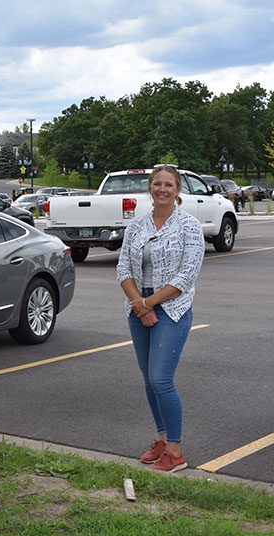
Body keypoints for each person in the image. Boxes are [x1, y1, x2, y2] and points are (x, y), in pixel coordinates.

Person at [117, 165, 204, 473]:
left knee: (161, 378)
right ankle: (163, 440)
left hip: (173, 308)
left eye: (169, 184)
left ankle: (176, 452)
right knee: (148, 380)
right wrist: (139, 304)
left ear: (178, 189)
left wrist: (150, 303)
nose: (162, 189)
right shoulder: (136, 225)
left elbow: (186, 275)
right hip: (138, 306)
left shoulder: (189, 226)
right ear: (149, 188)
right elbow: (123, 268)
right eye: (157, 184)